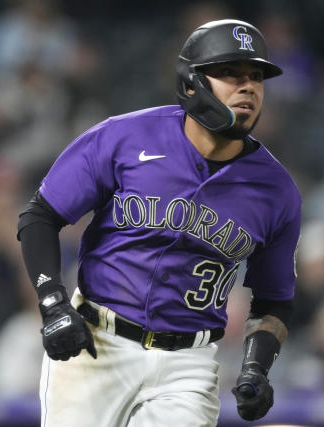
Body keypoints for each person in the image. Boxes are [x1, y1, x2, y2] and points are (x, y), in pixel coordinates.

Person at [17, 19, 301, 426]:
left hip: (188, 364)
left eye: (256, 77)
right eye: (229, 74)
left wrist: (256, 366)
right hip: (99, 343)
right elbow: (40, 215)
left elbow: (274, 301)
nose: (249, 87)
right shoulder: (124, 138)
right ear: (191, 84)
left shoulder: (277, 190)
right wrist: (53, 304)